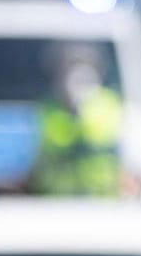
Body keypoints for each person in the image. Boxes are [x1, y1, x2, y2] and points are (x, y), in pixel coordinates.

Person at [30, 44, 127, 198]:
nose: (74, 77)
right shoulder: (47, 109)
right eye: (67, 69)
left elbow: (129, 156)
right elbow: (38, 157)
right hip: (55, 202)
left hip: (102, 202)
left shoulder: (112, 106)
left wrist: (82, 110)